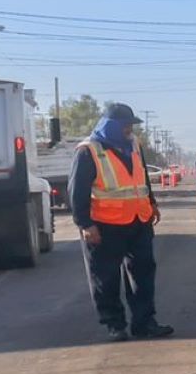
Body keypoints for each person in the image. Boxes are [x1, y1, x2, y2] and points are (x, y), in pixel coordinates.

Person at [69, 103, 174, 342]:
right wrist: (85, 224)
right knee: (106, 278)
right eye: (126, 125)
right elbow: (77, 191)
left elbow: (142, 176)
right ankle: (114, 324)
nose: (130, 129)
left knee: (144, 273)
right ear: (112, 126)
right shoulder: (88, 151)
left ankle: (145, 322)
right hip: (104, 225)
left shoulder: (134, 145)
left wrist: (152, 202)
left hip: (139, 220)